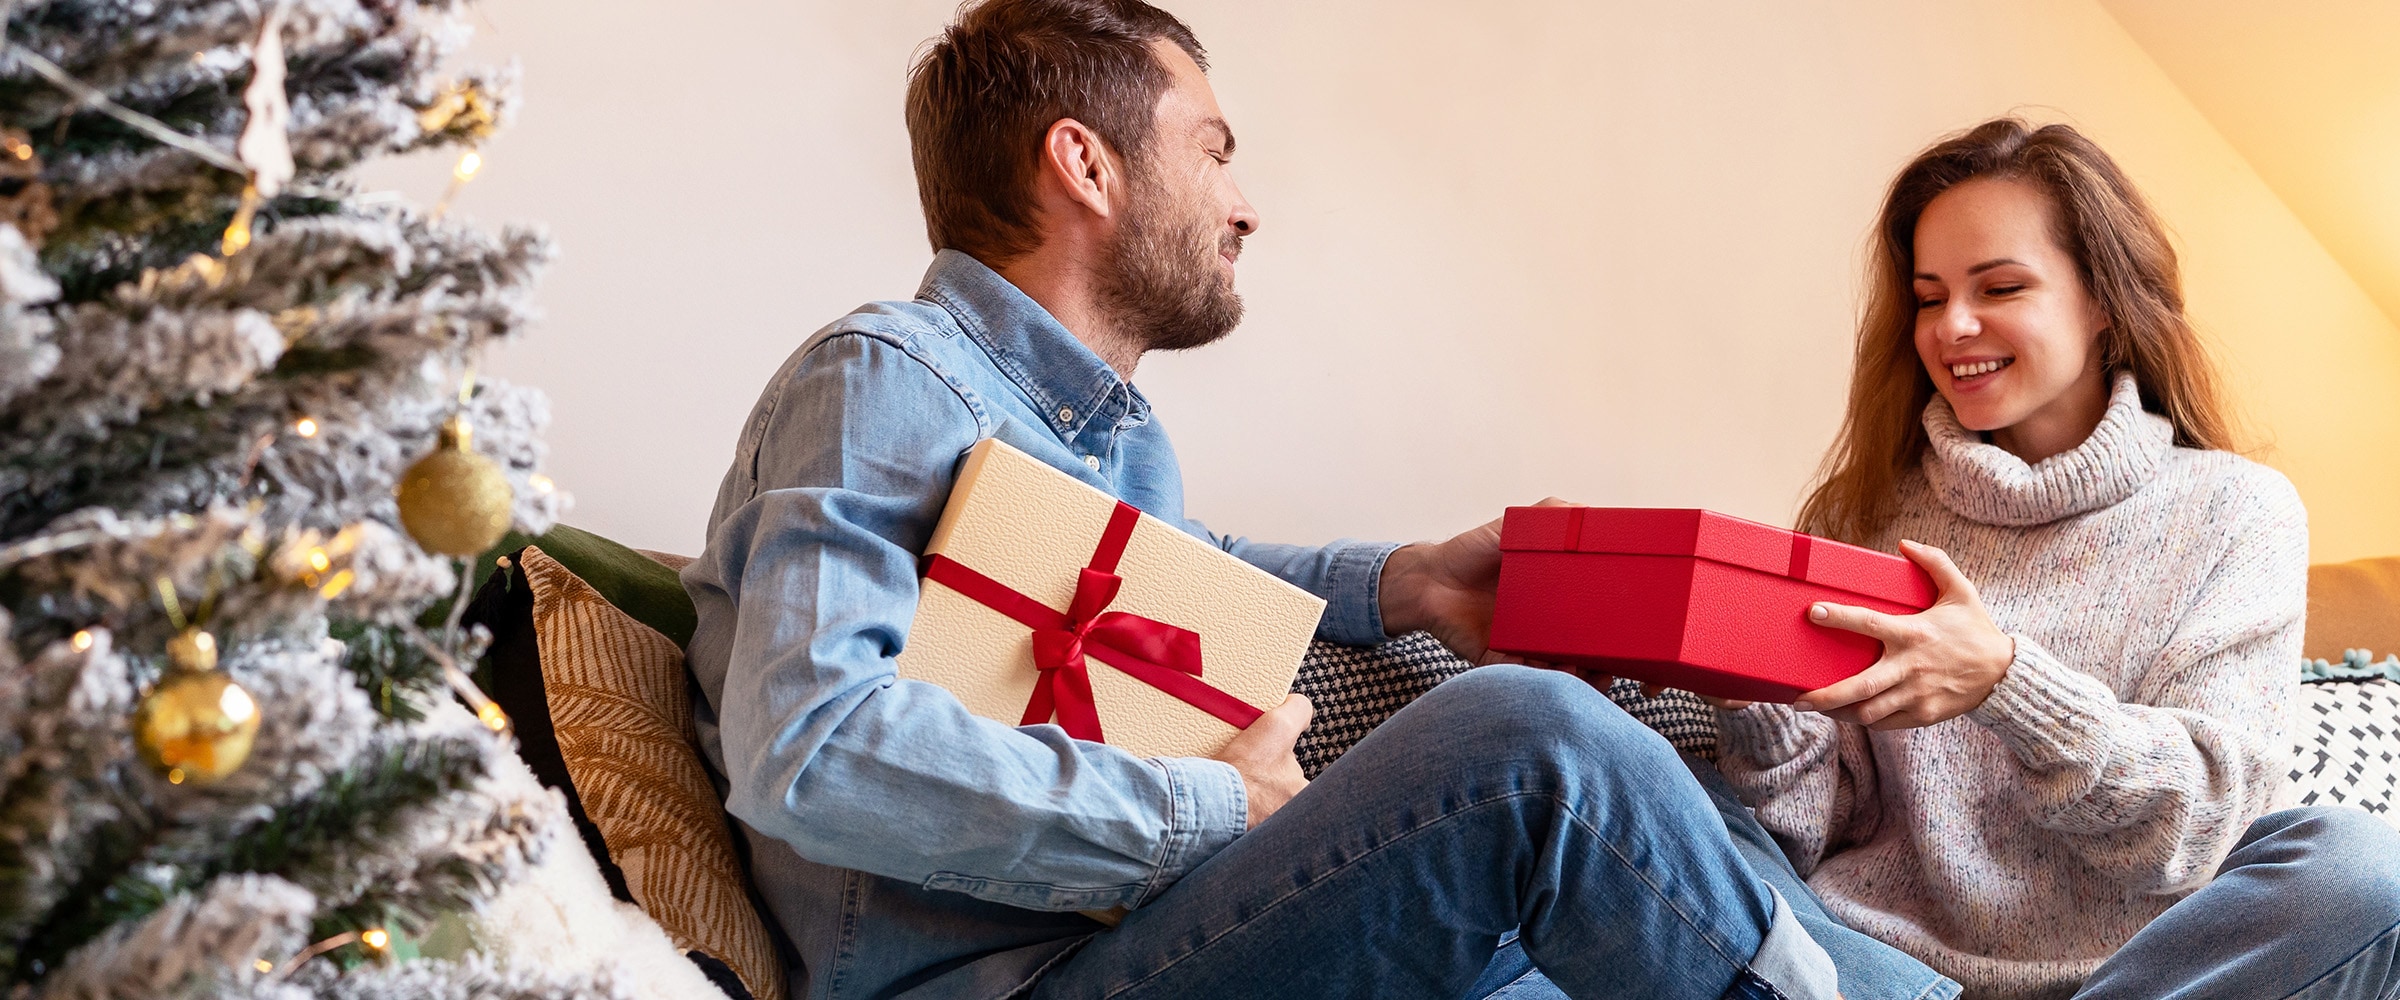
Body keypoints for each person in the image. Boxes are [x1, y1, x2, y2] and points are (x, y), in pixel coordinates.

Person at [681, 1, 1959, 997]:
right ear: (1085, 163)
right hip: (1017, 980)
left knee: (1653, 852)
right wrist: (1214, 807)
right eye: (1214, 151)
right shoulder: (890, 379)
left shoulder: (1095, 440)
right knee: (1526, 743)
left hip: (1131, 943)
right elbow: (814, 752)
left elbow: (1177, 579)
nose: (1245, 205)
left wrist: (1405, 582)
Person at [1700, 118, 2400, 1000]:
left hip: (2128, 983)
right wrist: (1754, 696)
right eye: (1928, 297)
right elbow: (1803, 832)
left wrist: (2008, 686)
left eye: (1999, 287)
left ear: (2103, 301)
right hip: (1861, 972)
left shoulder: (2237, 511)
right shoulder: (1860, 510)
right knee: (1582, 751)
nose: (1953, 326)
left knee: (2362, 870)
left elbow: (2205, 828)